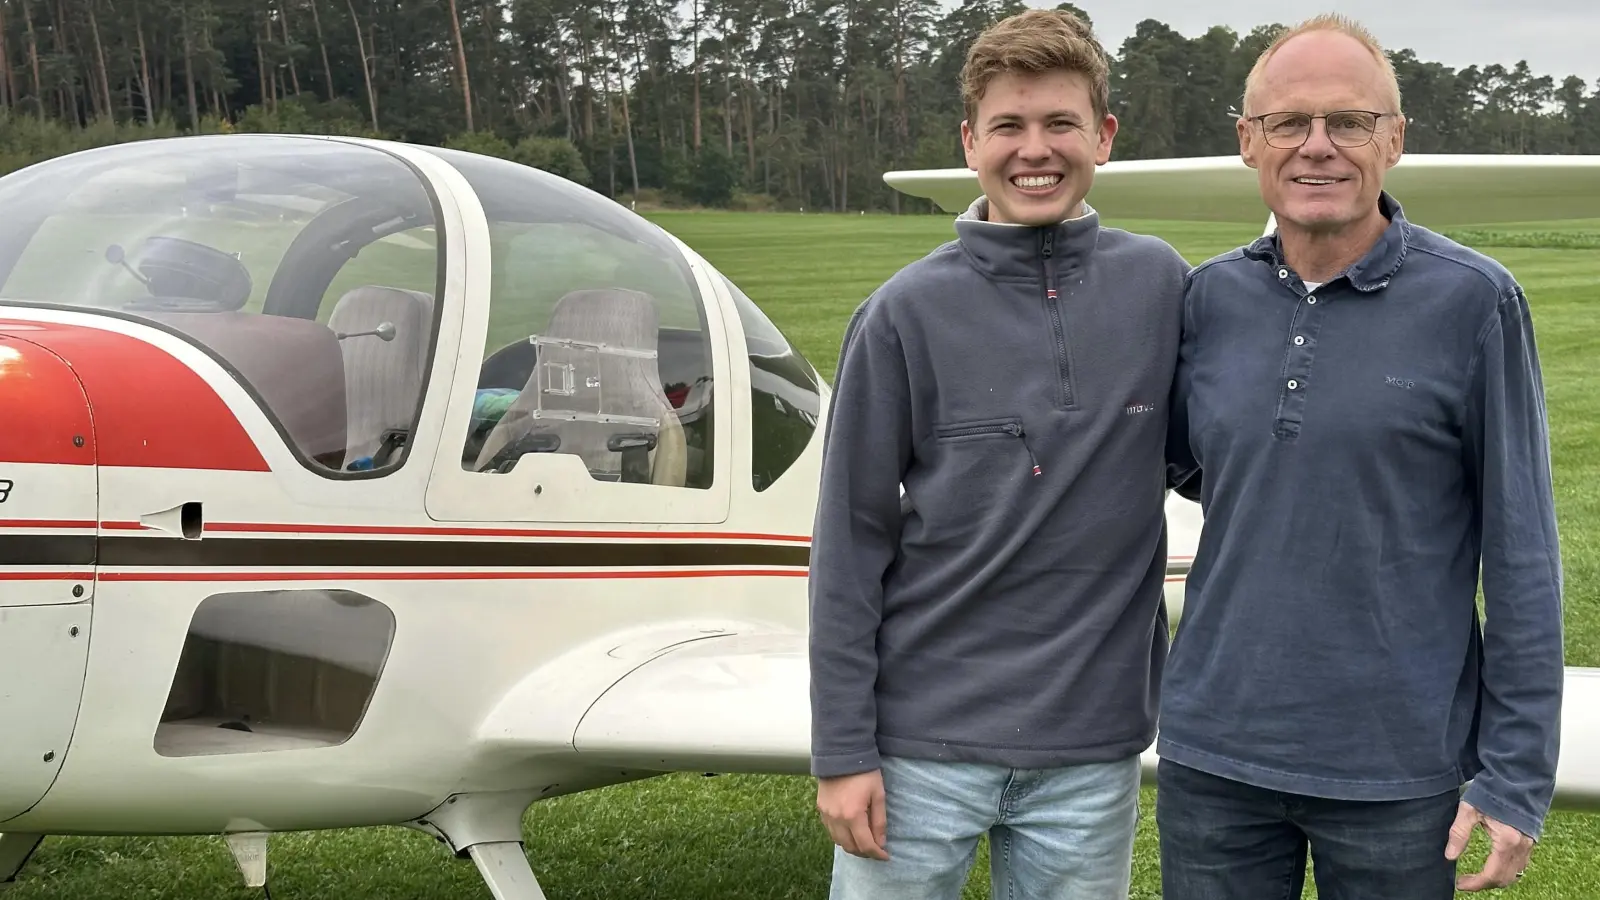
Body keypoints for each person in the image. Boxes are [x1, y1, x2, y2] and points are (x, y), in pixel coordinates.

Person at [1159, 13, 1564, 898]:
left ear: (1394, 139)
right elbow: (1190, 472)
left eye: (1348, 122)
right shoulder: (1206, 299)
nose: (1318, 148)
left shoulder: (1476, 303)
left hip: (1400, 775)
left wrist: (1516, 774)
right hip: (1213, 761)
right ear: (1246, 142)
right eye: (1287, 123)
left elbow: (1524, 554)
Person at [806, 8, 1191, 899]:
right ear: (970, 142)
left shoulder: (1161, 284)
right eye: (1009, 127)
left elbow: (1215, 456)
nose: (1035, 150)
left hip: (1091, 756)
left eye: (1061, 124)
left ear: (1104, 135)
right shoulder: (901, 315)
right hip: (916, 749)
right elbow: (850, 545)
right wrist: (842, 752)